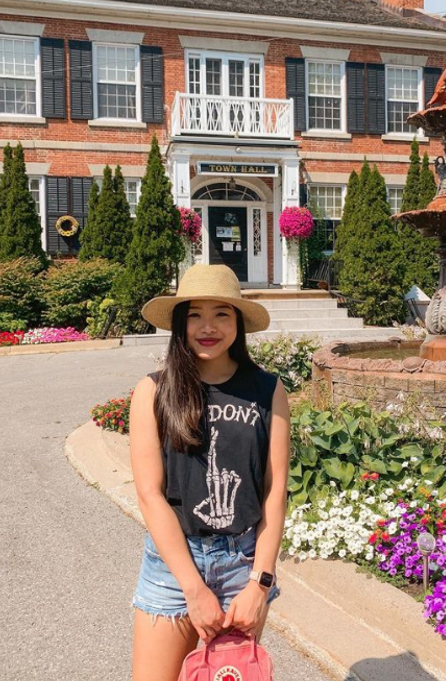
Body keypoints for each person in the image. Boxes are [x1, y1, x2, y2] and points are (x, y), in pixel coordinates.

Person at [129, 264, 291, 681]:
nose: (208, 326)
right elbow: (150, 494)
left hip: (245, 565)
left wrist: (260, 582)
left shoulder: (268, 391)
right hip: (174, 563)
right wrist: (193, 587)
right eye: (195, 314)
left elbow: (274, 491)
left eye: (222, 313)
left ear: (238, 321)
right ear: (180, 323)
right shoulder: (153, 392)